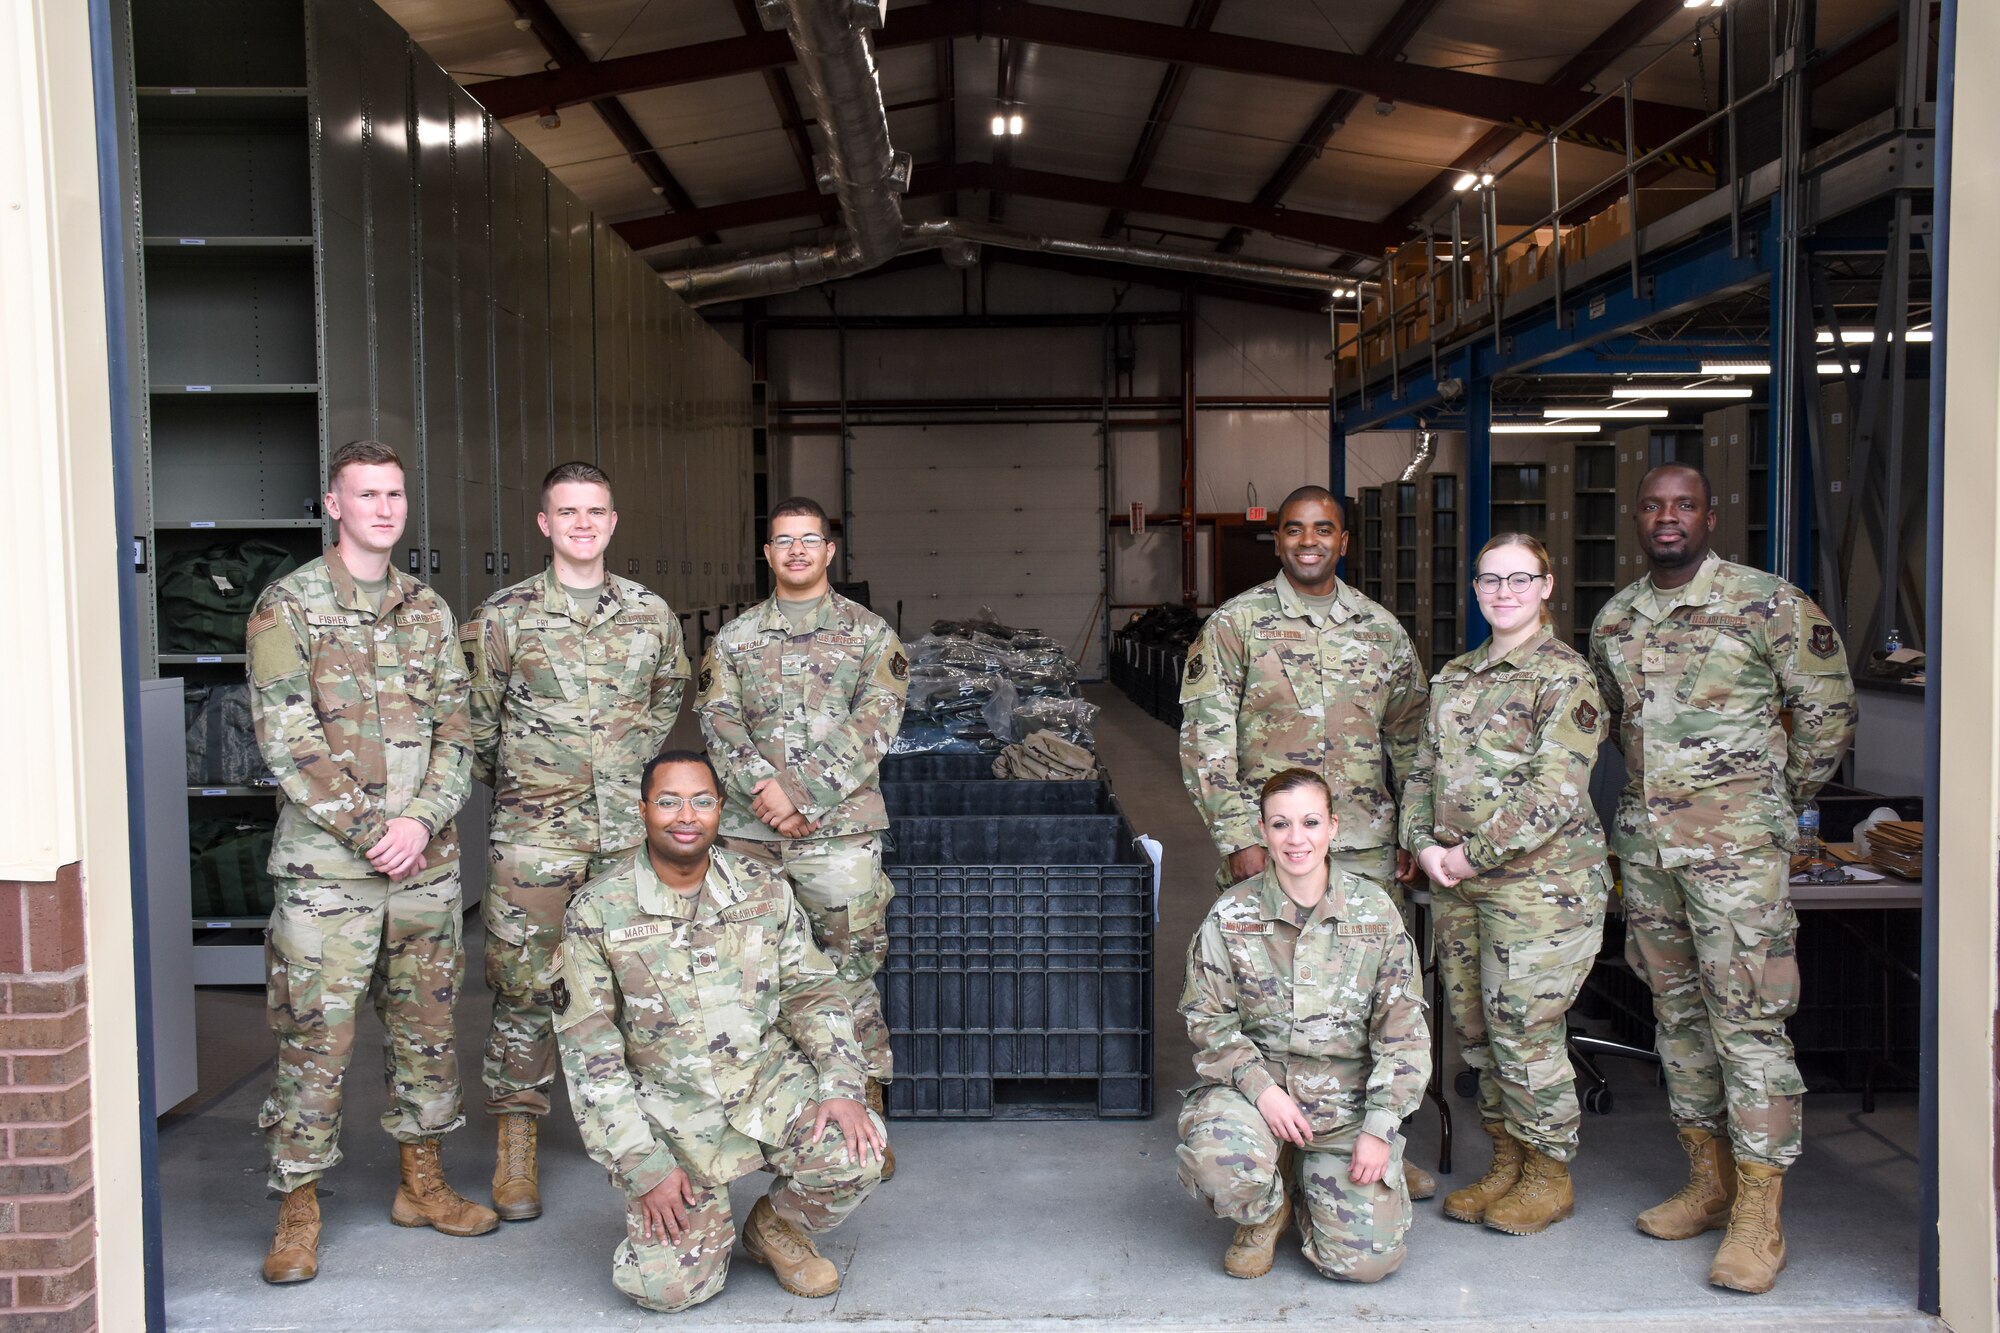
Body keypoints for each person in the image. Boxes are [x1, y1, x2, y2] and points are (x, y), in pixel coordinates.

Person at [1591, 463, 1856, 1294]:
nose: (1668, 518)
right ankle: (1709, 1182)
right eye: (1654, 506)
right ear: (1638, 517)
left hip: (1738, 859)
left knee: (1749, 1027)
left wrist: (1773, 802)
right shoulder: (1617, 619)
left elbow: (1827, 708)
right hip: (1650, 857)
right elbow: (1614, 728)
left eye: (1685, 505)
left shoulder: (1767, 602)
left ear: (1711, 514)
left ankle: (1759, 1213)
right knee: (1678, 1020)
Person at [247, 440, 494, 1284]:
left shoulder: (428, 610)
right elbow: (288, 740)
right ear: (333, 504)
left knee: (428, 1033)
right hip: (328, 876)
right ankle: (297, 1205)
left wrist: (420, 822)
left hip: (422, 869)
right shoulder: (288, 607)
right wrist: (370, 829)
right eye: (367, 494)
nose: (384, 508)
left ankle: (422, 1183)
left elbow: (459, 735)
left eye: (394, 493)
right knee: (315, 1040)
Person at [553, 750, 887, 1313]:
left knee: (858, 1151)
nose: (686, 815)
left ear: (719, 810)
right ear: (642, 811)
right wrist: (642, 1166)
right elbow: (592, 1057)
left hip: (765, 1086)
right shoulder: (597, 910)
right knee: (666, 1291)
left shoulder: (765, 890)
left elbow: (812, 992)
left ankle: (774, 1226)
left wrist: (840, 1086)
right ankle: (697, 1225)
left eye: (701, 801)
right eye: (669, 801)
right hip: (673, 1118)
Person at [1177, 484, 1436, 1200]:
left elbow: (1414, 740)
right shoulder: (1238, 624)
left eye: (1324, 529)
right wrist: (1239, 835)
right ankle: (1267, 1146)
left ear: (1344, 541)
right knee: (1263, 996)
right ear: (1278, 540)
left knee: (1366, 1004)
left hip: (1359, 850)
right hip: (1270, 849)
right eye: (1294, 529)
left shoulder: (1380, 630)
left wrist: (1413, 828)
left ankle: (1373, 1134)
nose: (1309, 540)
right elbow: (1206, 741)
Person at [462, 461, 689, 1220]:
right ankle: (518, 1146)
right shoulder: (505, 616)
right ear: (544, 523)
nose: (583, 523)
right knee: (525, 986)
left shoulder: (650, 614)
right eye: (568, 511)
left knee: (640, 982)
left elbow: (667, 694)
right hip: (537, 834)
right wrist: (537, 780)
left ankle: (649, 1136)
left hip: (629, 832)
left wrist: (623, 766)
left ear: (613, 521)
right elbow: (478, 724)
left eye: (595, 510)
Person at [1401, 533, 1609, 1236]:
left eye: (1521, 579)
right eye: (1490, 579)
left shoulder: (1564, 676)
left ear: (1547, 586)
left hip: (1541, 889)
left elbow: (1555, 790)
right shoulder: (1457, 674)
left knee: (1526, 1028)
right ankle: (1508, 1161)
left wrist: (1470, 854)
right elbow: (1424, 768)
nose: (1504, 592)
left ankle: (1549, 1174)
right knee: (1478, 1031)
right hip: (1461, 886)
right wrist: (1422, 843)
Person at [696, 496, 908, 1175]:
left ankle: (865, 1112)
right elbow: (717, 721)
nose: (795, 551)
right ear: (766, 553)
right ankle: (770, 1116)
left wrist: (802, 792)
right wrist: (766, 788)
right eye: (783, 540)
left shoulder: (870, 634)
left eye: (808, 539)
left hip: (838, 834)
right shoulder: (734, 639)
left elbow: (875, 723)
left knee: (849, 973)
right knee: (750, 971)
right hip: (749, 836)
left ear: (829, 550)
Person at [1178, 768, 1431, 1283]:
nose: (1297, 839)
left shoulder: (1375, 913)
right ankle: (1266, 1211)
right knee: (1218, 1162)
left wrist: (1380, 1128)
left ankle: (1307, 1178)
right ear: (1263, 831)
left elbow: (1403, 1033)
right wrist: (1263, 1091)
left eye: (1311, 822)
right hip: (1257, 1094)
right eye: (1281, 824)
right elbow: (1208, 1021)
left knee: (1365, 1264)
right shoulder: (1231, 914)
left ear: (1333, 827)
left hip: (1344, 1102)